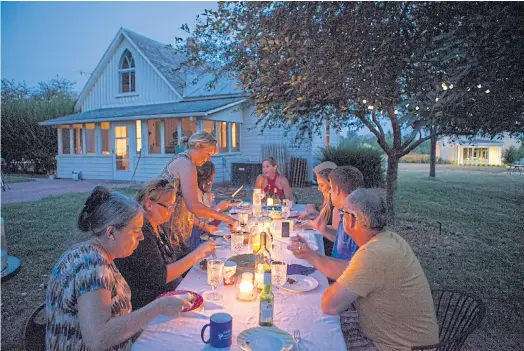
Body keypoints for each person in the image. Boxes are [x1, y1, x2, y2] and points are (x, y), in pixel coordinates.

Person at [291, 188, 439, 350]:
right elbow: (348, 270)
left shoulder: (373, 253)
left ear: (352, 220)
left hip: (396, 346)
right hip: (398, 335)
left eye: (342, 213)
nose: (341, 218)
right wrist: (310, 255)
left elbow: (330, 305)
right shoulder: (389, 239)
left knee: (312, 336)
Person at [46, 186, 189, 351]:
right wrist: (158, 307)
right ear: (111, 232)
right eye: (136, 231)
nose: (142, 237)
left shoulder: (91, 253)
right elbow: (98, 339)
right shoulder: (92, 265)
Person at [115, 178, 216, 310]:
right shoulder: (142, 233)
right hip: (149, 305)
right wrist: (197, 254)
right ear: (149, 204)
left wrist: (201, 259)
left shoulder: (157, 226)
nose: (172, 211)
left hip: (167, 294)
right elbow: (160, 277)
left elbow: (173, 258)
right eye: (168, 206)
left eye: (173, 206)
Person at [159, 131, 238, 259]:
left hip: (175, 228)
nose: (209, 159)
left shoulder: (184, 161)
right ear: (197, 146)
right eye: (208, 154)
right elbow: (194, 206)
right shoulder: (186, 164)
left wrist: (205, 226)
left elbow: (184, 206)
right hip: (167, 229)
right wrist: (227, 219)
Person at [307, 166, 363, 260]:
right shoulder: (344, 213)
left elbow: (346, 265)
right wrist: (323, 229)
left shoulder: (353, 221)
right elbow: (339, 240)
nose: (329, 192)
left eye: (331, 188)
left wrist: (313, 257)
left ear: (336, 189)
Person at [189, 161, 234, 249]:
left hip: (205, 231)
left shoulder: (204, 190)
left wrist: (213, 202)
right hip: (196, 235)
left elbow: (209, 210)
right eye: (212, 177)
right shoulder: (194, 192)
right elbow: (203, 217)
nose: (212, 181)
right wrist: (218, 208)